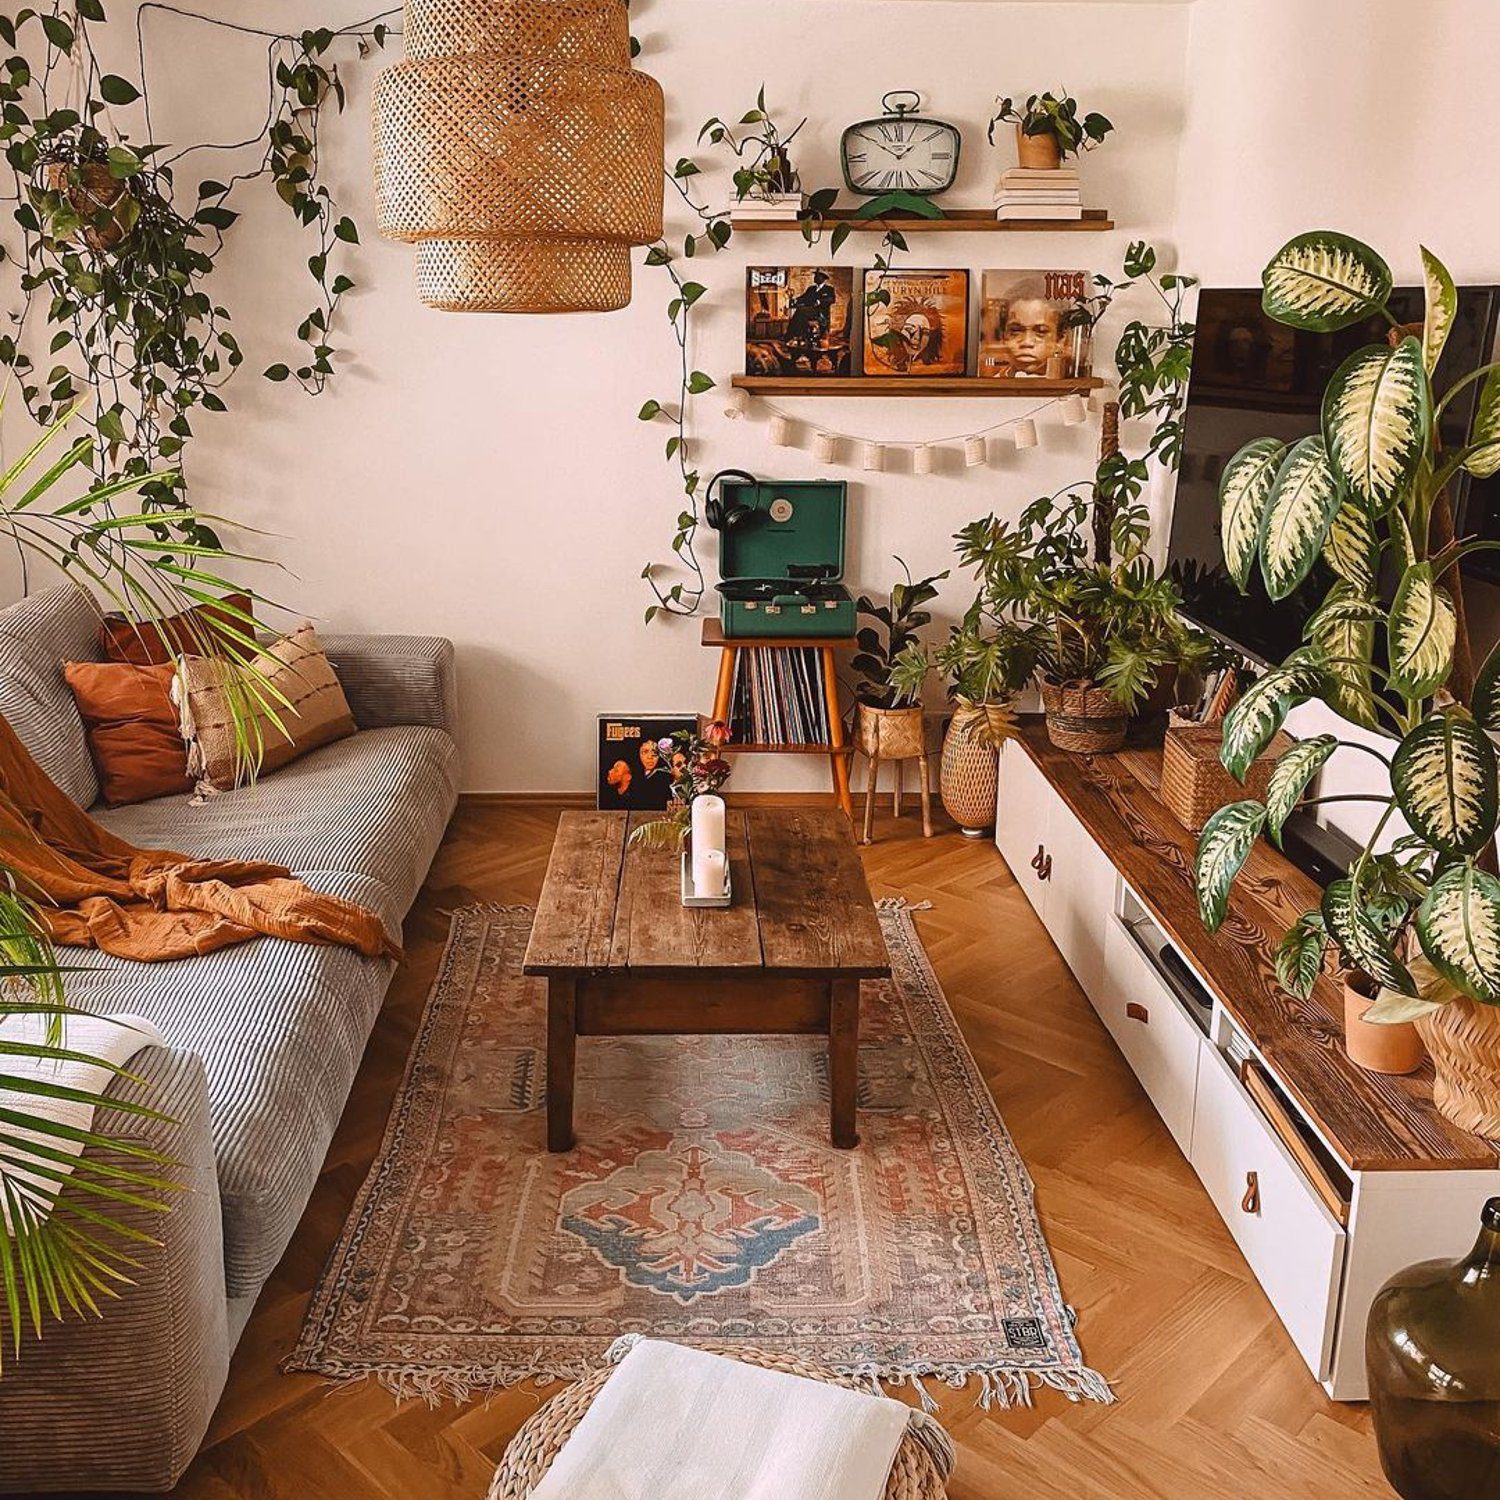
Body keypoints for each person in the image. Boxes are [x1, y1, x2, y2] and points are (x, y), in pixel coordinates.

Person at [998, 285, 1067, 376]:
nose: (1027, 342)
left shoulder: (1072, 386)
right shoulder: (990, 386)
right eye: (1015, 331)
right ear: (1003, 336)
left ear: (1060, 339)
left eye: (1041, 332)